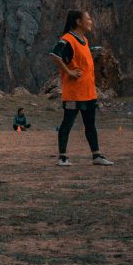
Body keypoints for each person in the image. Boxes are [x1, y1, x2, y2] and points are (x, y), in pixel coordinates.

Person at [50, 10, 114, 166]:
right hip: (73, 93)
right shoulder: (68, 39)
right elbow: (54, 54)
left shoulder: (84, 40)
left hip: (88, 93)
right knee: (67, 123)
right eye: (88, 19)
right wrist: (69, 71)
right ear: (78, 21)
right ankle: (63, 157)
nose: (91, 21)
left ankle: (96, 155)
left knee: (90, 124)